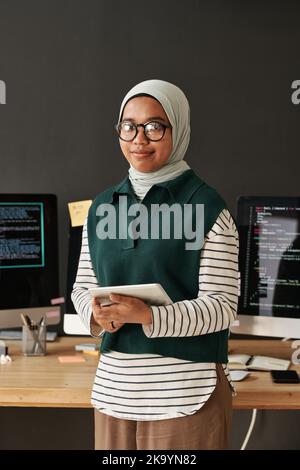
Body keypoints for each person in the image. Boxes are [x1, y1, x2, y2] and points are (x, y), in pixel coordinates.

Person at [71, 79, 239, 450]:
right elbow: (82, 286)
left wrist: (147, 316)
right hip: (116, 391)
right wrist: (97, 316)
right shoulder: (102, 207)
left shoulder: (207, 207)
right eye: (128, 126)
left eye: (154, 126)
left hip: (186, 394)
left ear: (177, 130)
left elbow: (223, 307)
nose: (139, 139)